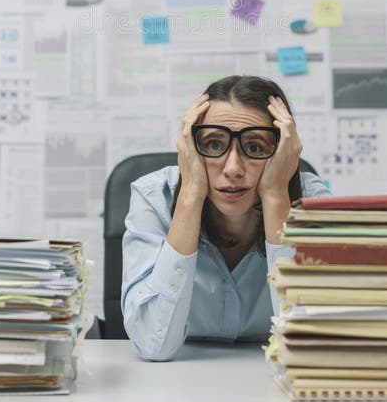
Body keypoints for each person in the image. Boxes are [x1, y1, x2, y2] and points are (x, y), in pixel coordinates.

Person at [121, 75, 331, 361]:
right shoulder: (154, 197)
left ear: (283, 152)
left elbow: (313, 345)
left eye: (255, 147)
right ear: (190, 148)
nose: (233, 168)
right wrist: (191, 194)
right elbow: (152, 345)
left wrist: (275, 196)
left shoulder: (311, 201)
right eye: (213, 145)